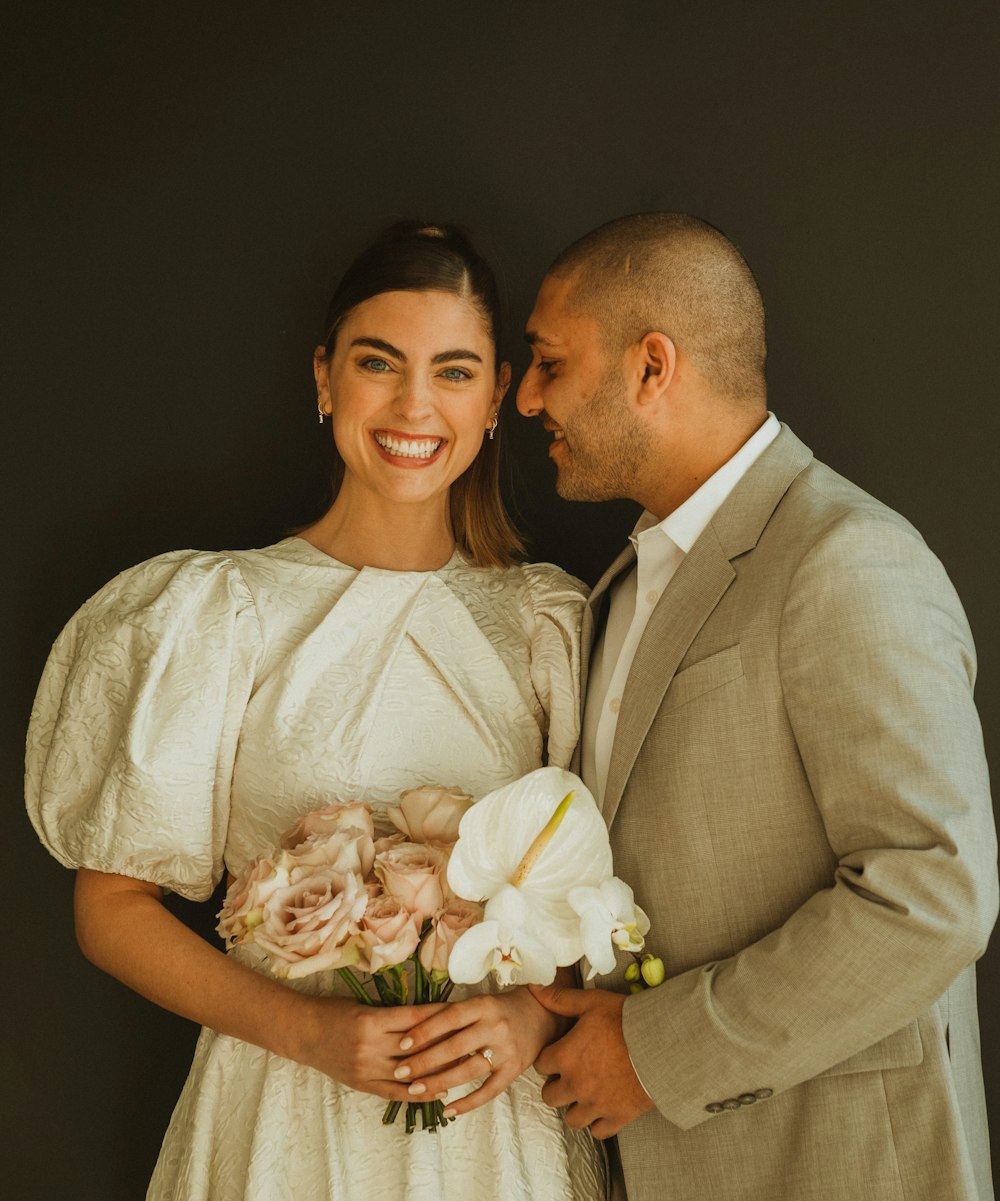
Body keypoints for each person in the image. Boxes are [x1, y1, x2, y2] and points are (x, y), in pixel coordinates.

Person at [24, 222, 605, 1201]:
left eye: (452, 371)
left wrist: (536, 1020)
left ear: (497, 394)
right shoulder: (214, 613)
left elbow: (598, 890)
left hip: (490, 1132)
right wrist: (316, 1033)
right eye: (379, 364)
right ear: (325, 376)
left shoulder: (547, 623)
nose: (414, 404)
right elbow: (111, 909)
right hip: (277, 1118)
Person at [516, 213, 998, 1201]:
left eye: (547, 363)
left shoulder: (846, 559)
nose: (525, 398)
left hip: (833, 1167)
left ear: (652, 366)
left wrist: (658, 1051)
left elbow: (933, 894)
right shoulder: (615, 585)